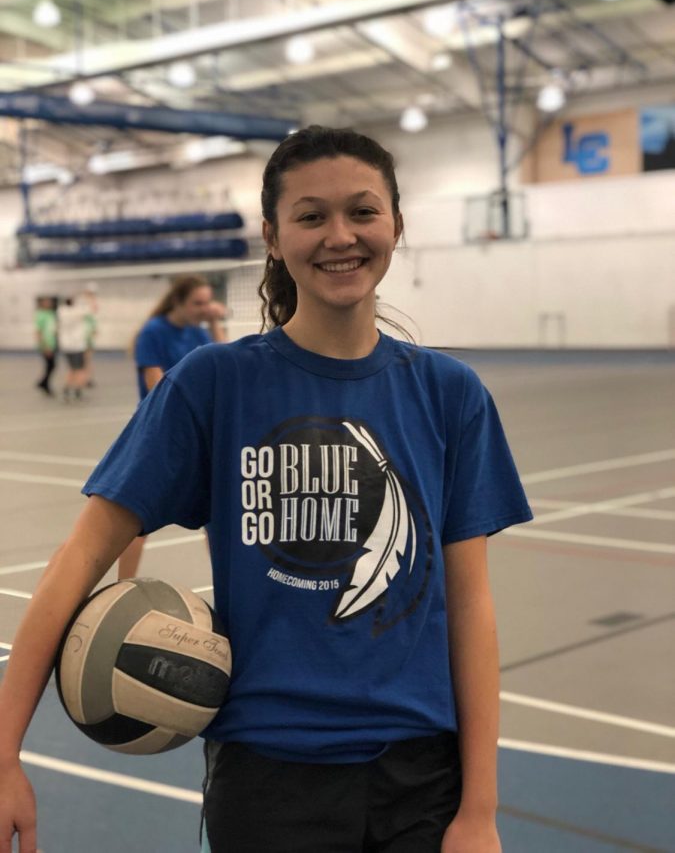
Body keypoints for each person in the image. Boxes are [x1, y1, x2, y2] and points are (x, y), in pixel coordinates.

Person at [0, 126, 533, 853]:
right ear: (273, 237)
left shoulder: (449, 394)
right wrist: (4, 755)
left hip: (422, 780)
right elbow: (80, 555)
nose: (339, 235)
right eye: (311, 216)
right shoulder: (215, 385)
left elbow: (469, 605)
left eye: (362, 212)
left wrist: (479, 809)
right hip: (267, 783)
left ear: (396, 228)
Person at [116, 274, 227, 580]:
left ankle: (226, 586)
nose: (205, 308)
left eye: (208, 302)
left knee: (216, 519)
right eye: (198, 303)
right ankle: (121, 588)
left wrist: (215, 323)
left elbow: (227, 367)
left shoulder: (198, 333)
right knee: (135, 519)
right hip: (158, 435)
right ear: (178, 302)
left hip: (199, 436)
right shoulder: (154, 332)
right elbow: (157, 389)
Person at [56, 295, 90, 402]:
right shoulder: (77, 312)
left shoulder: (61, 312)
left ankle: (67, 388)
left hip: (66, 345)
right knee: (79, 369)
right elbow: (90, 309)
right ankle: (77, 389)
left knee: (71, 368)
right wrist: (87, 296)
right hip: (77, 345)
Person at [33, 296, 58, 396]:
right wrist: (44, 345)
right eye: (47, 302)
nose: (49, 304)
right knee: (50, 365)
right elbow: (38, 331)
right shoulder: (40, 315)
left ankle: (43, 382)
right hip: (46, 345)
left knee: (51, 365)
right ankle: (44, 383)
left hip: (52, 343)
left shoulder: (51, 314)